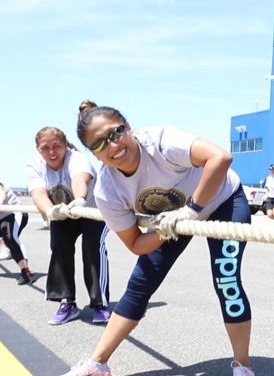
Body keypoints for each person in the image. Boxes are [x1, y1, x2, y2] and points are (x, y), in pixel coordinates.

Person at [61, 103, 255, 376]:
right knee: (139, 284)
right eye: (99, 145)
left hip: (222, 200)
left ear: (129, 128)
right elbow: (136, 244)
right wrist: (167, 229)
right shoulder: (107, 190)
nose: (112, 146)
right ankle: (97, 363)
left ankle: (243, 365)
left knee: (227, 280)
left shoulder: (160, 141)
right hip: (173, 219)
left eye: (116, 133)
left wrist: (192, 210)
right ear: (92, 153)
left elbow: (219, 158)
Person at [26, 126, 110, 326]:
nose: (52, 152)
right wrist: (49, 212)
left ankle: (100, 303)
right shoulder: (34, 165)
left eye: (57, 146)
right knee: (59, 248)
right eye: (45, 148)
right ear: (38, 150)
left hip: (92, 209)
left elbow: (80, 178)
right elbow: (38, 193)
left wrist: (80, 199)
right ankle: (67, 302)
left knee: (92, 250)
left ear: (65, 145)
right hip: (62, 212)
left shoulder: (76, 158)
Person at [0, 182, 35, 285]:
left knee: (11, 238)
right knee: (10, 239)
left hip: (15, 213)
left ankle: (26, 272)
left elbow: (2, 194)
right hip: (2, 217)